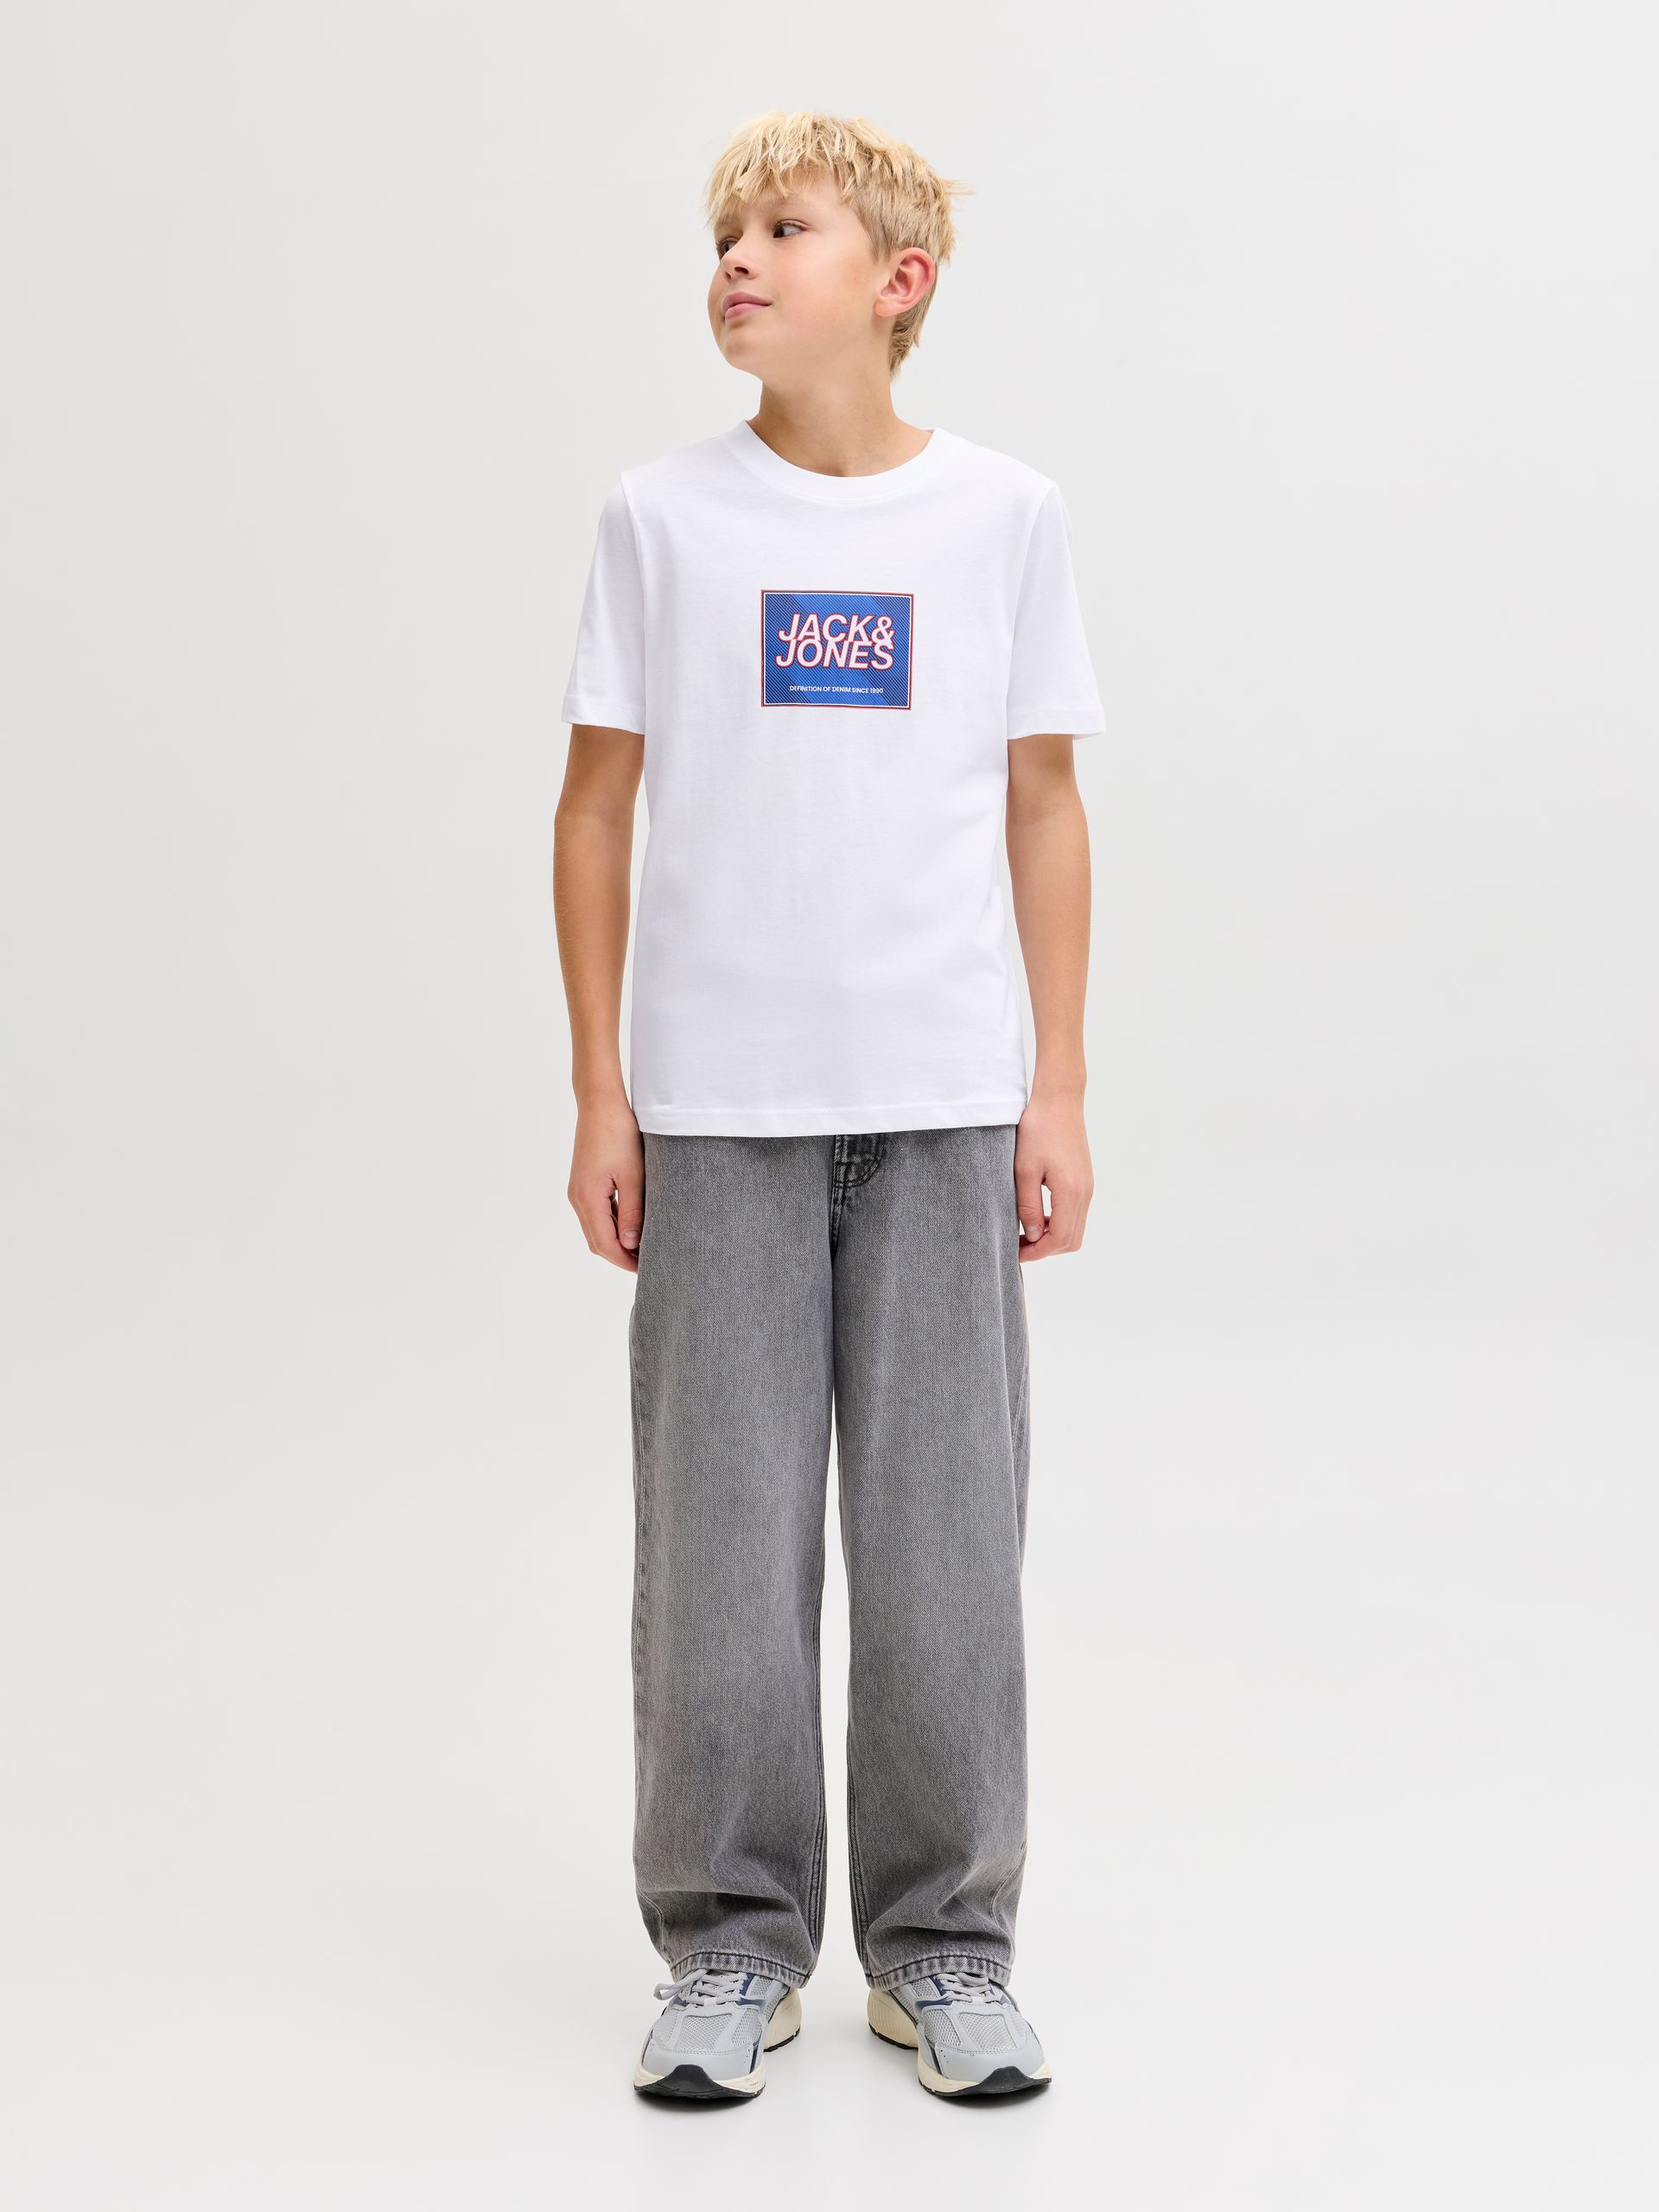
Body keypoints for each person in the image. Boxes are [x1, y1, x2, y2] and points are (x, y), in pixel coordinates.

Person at [554, 107, 1103, 2103]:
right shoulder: (661, 518)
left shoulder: (1003, 516)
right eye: (723, 231)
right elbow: (595, 808)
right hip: (717, 1111)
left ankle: (945, 1943)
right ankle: (730, 1942)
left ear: (898, 280)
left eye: (782, 227)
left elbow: (1044, 801)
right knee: (717, 1549)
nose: (736, 258)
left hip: (945, 1101)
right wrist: (601, 1087)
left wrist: (1059, 1081)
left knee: (947, 1547)